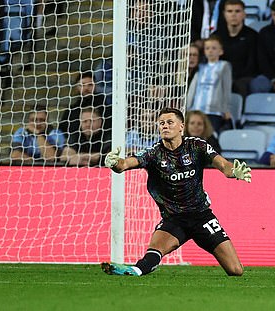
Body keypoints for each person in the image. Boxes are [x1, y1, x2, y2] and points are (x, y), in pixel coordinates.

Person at [101, 107, 251, 277]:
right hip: (174, 220)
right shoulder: (154, 153)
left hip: (202, 217)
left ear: (181, 126)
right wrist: (114, 162)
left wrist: (234, 172)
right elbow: (125, 165)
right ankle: (132, 270)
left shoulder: (196, 146)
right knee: (154, 252)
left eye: (170, 122)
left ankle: (136, 269)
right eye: (162, 123)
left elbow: (224, 166)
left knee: (235, 270)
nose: (165, 126)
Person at [186, 35, 232, 134]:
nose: (210, 51)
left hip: (213, 111)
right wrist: (188, 107)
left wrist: (226, 109)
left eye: (214, 48)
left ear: (221, 51)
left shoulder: (224, 66)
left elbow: (226, 88)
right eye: (207, 48)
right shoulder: (201, 67)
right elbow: (193, 89)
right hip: (197, 109)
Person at [214, 0, 258, 97]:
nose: (233, 15)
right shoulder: (216, 36)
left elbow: (252, 63)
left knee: (240, 85)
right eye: (229, 11)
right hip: (221, 76)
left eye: (237, 11)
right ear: (224, 14)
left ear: (244, 14)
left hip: (244, 77)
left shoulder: (252, 36)